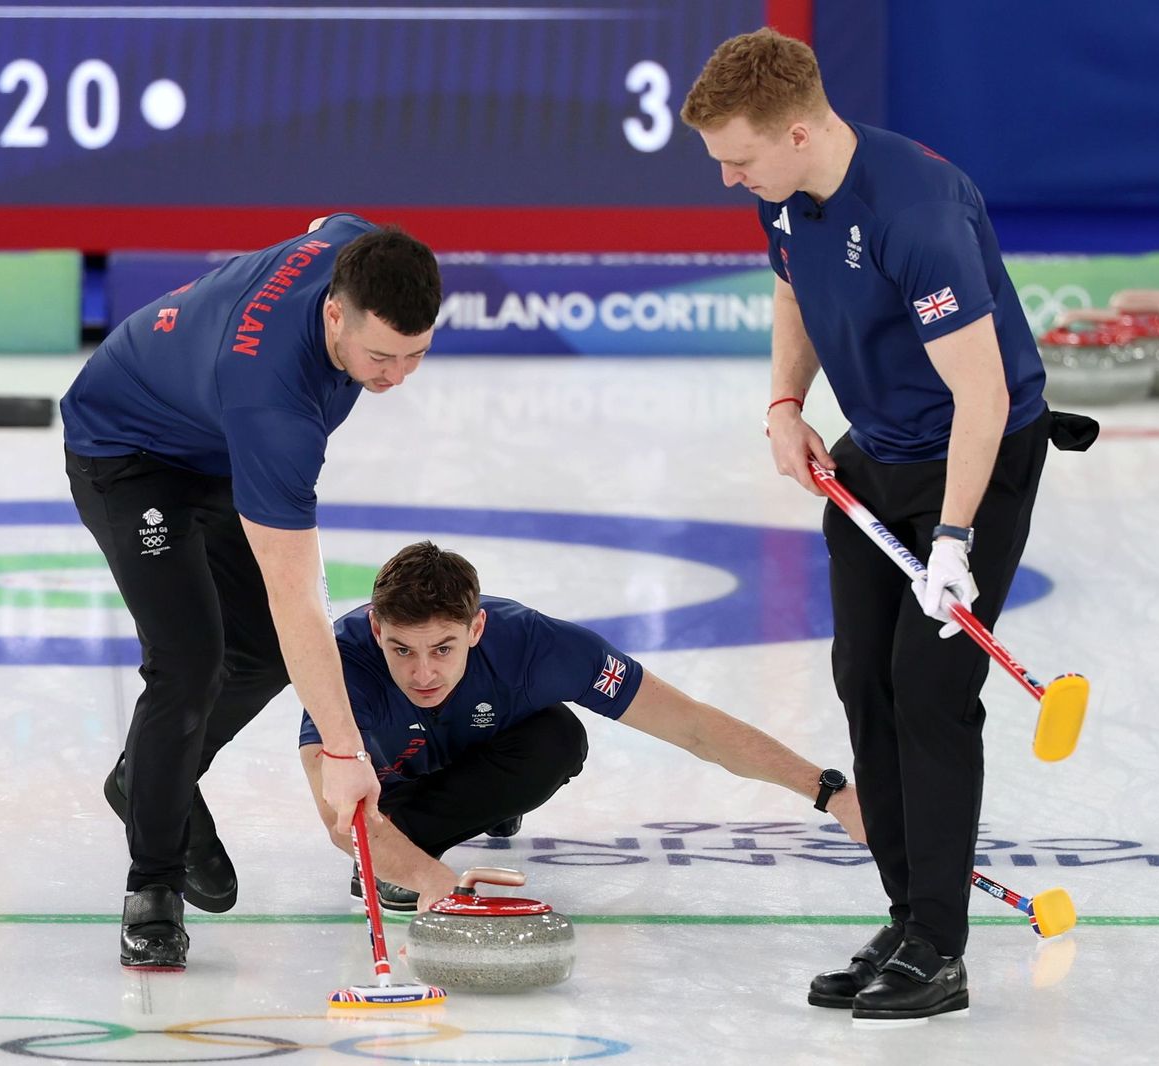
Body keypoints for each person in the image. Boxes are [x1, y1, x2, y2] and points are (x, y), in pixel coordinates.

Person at [679, 29, 1091, 1022]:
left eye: (737, 158)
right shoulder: (784, 194)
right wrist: (784, 403)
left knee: (929, 685)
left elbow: (984, 398)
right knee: (864, 678)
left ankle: (939, 951)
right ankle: (908, 917)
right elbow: (793, 286)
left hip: (974, 462)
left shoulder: (915, 212)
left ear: (797, 129)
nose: (728, 179)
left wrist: (954, 542)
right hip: (877, 453)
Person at [61, 214, 443, 970]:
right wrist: (343, 750)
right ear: (334, 312)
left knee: (265, 653)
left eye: (416, 355)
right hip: (129, 450)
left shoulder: (355, 249)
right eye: (379, 356)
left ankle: (147, 779)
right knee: (189, 661)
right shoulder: (276, 404)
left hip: (213, 437)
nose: (395, 377)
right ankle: (154, 887)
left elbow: (324, 220)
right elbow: (296, 594)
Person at [297, 541, 867, 914]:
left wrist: (830, 791)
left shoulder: (543, 649)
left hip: (487, 748)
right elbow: (337, 819)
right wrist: (430, 877)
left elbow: (693, 727)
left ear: (477, 628)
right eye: (402, 649)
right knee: (378, 828)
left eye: (443, 648)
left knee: (559, 738)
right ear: (375, 630)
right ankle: (421, 834)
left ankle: (473, 808)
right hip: (392, 787)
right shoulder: (340, 665)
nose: (423, 673)